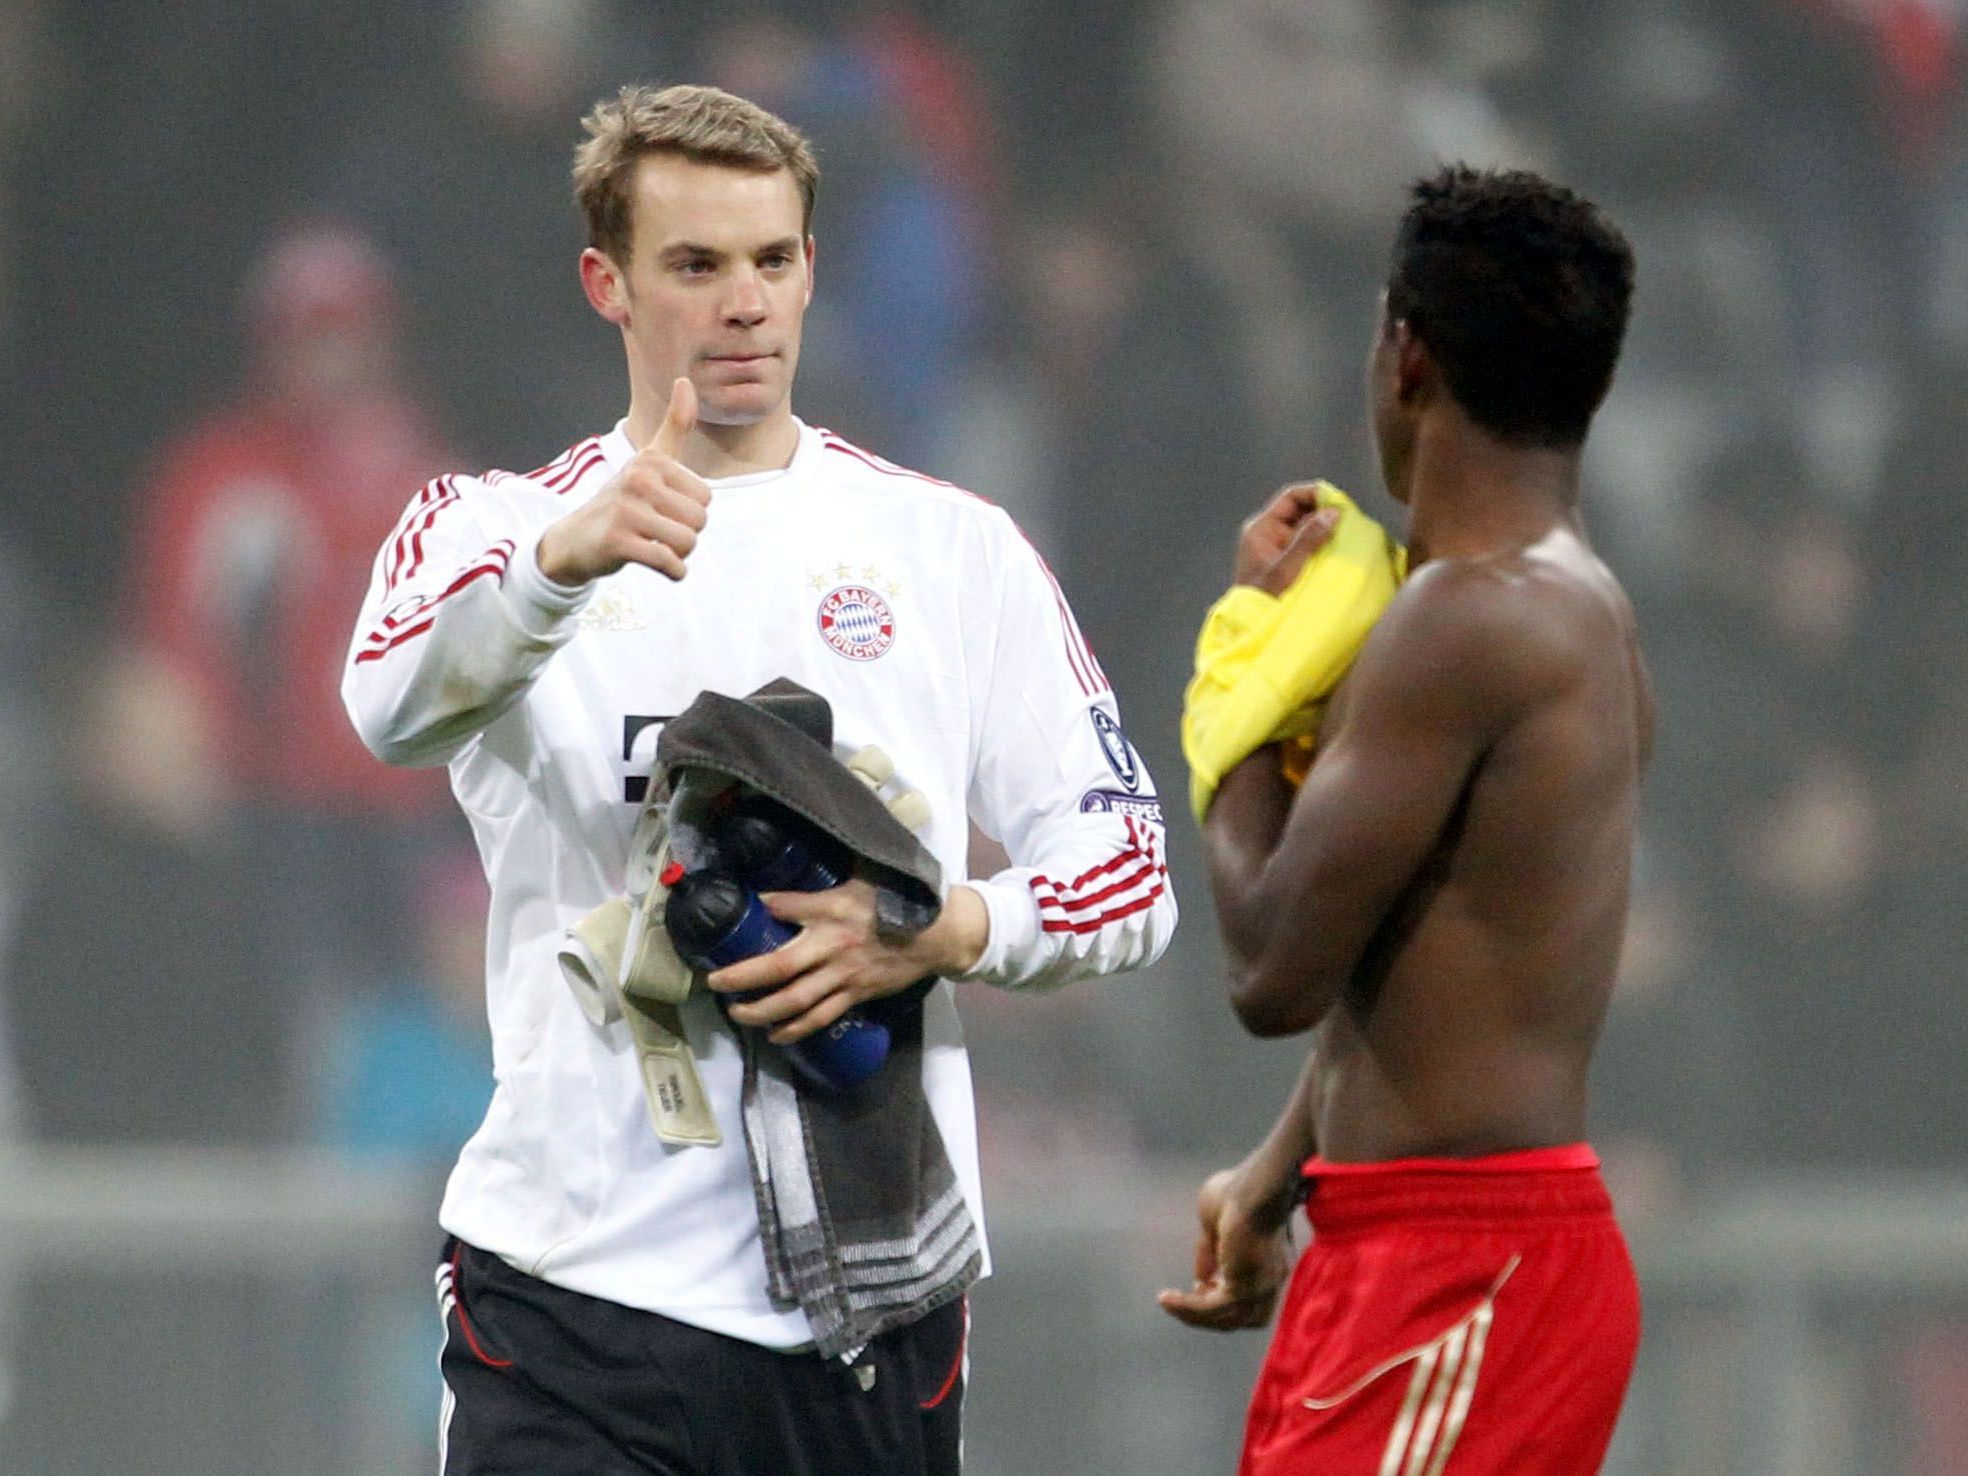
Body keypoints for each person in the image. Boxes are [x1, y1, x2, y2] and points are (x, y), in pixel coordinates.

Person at [340, 83, 1175, 1476]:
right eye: (696, 265)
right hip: (573, 1302)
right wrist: (562, 568)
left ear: (812, 270)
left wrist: (941, 928)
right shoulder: (494, 527)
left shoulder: (950, 550)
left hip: (865, 1314)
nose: (744, 303)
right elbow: (389, 704)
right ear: (607, 283)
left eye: (772, 260)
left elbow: (1130, 866)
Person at [1159, 166, 1648, 1475]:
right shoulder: (1570, 602)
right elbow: (1434, 956)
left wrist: (1251, 670)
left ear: (1407, 355)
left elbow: (1270, 970)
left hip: (1460, 1272)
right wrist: (1280, 1173)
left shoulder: (1465, 619)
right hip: (1431, 1251)